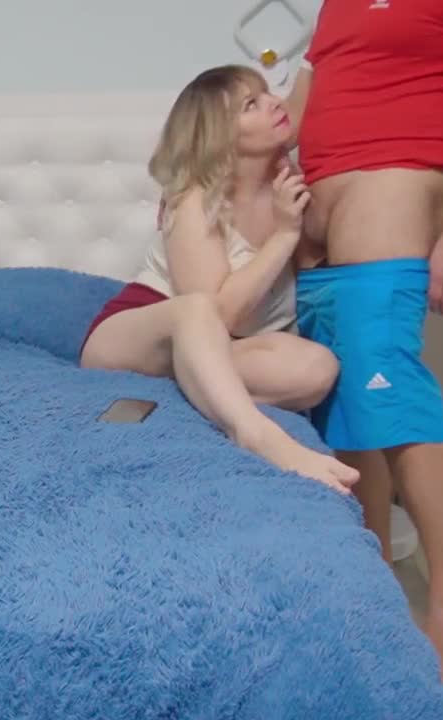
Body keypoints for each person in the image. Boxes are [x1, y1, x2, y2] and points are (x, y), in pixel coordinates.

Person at [281, 0, 443, 687]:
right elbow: (298, 110)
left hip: (397, 188)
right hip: (320, 218)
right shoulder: (333, 6)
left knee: (387, 386)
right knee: (342, 406)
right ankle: (371, 579)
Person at [80, 64, 361, 494]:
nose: (274, 103)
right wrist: (284, 235)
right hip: (143, 335)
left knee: (318, 368)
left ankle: (198, 386)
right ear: (221, 135)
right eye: (251, 104)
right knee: (198, 308)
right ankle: (253, 433)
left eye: (268, 93)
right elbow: (220, 313)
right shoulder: (195, 200)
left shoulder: (292, 185)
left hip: (226, 349)